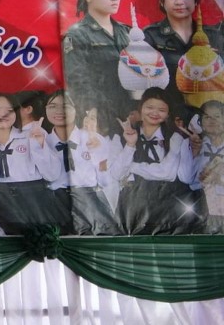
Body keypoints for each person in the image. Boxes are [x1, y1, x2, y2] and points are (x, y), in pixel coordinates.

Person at [112, 87, 199, 235]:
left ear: (168, 113)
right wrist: (130, 144)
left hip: (167, 207)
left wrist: (130, 167)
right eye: (150, 107)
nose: (154, 113)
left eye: (161, 110)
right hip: (132, 206)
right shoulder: (122, 135)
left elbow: (167, 173)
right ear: (141, 108)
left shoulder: (175, 137)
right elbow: (116, 174)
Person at [143, 0, 223, 123]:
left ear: (195, 0)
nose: (179, 2)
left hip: (211, 120)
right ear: (162, 1)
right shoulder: (149, 36)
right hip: (167, 119)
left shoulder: (213, 36)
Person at [62, 0, 132, 138]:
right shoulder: (77, 35)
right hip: (99, 118)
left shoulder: (127, 32)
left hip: (131, 116)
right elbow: (78, 81)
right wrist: (94, 115)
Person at [0, 93, 61, 235]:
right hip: (2, 202)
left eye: (9, 110)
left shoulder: (30, 134)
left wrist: (39, 144)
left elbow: (52, 175)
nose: (3, 114)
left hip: (35, 200)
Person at [43, 90, 120, 235]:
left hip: (87, 199)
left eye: (65, 106)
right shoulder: (43, 141)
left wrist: (97, 153)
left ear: (76, 109)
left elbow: (105, 180)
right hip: (54, 200)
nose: (59, 111)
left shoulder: (94, 139)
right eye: (52, 106)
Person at [191, 100, 224, 233]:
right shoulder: (195, 145)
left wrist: (219, 179)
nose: (212, 121)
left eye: (217, 116)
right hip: (201, 211)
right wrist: (195, 155)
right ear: (201, 122)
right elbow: (189, 181)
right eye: (207, 117)